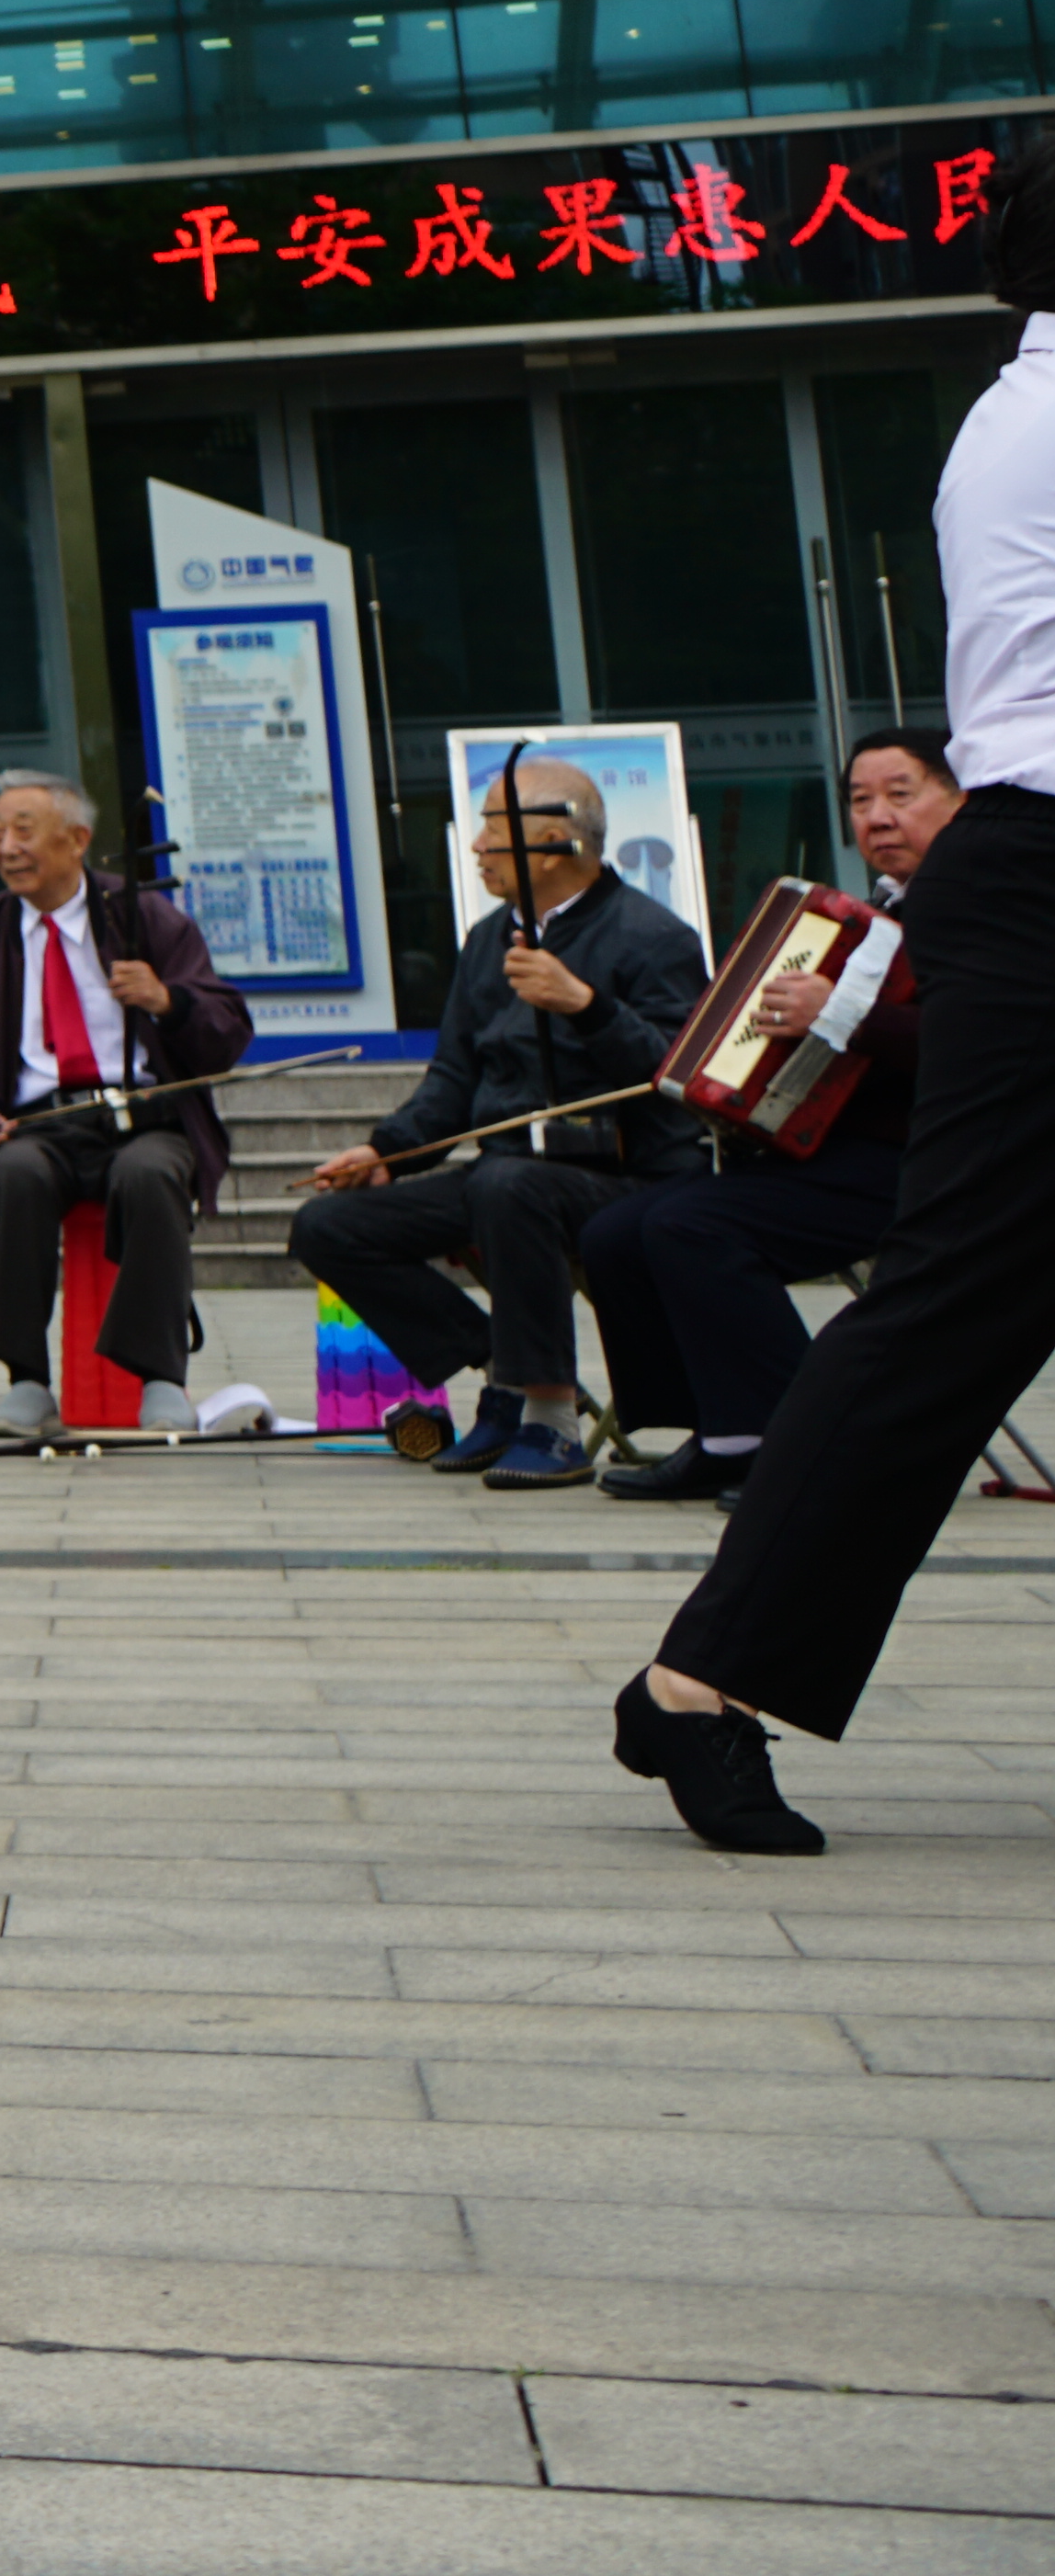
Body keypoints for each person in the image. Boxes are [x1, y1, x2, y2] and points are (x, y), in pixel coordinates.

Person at [632, 167, 1055, 1846]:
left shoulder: (1009, 408)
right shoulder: (1036, 414)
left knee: (959, 1297)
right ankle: (697, 1681)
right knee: (957, 1301)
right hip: (1039, 880)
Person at [297, 757, 707, 1489]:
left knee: (511, 1184)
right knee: (330, 1226)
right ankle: (507, 1371)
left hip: (623, 1178)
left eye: (492, 828)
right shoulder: (489, 940)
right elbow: (453, 1080)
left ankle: (550, 1423)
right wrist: (389, 1150)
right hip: (504, 1178)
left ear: (555, 839)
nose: (477, 847)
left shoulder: (652, 935)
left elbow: (683, 1075)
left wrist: (587, 1006)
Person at [592, 728, 954, 1511]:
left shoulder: (985, 912)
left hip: (932, 1161)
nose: (878, 817)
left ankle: (803, 1443)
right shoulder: (864, 920)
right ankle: (723, 1431)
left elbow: (990, 1040)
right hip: (833, 1150)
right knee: (615, 1235)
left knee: (694, 1227)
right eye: (860, 801)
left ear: (961, 804)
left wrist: (842, 1018)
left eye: (902, 794)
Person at [0, 770, 248, 1439]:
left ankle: (160, 1375)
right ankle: (27, 1381)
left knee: (150, 1175)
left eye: (22, 831)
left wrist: (166, 1000)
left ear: (77, 840)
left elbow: (227, 1029)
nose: (6, 847)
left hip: (144, 1116)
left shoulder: (144, 916)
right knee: (12, 1176)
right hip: (41, 1121)